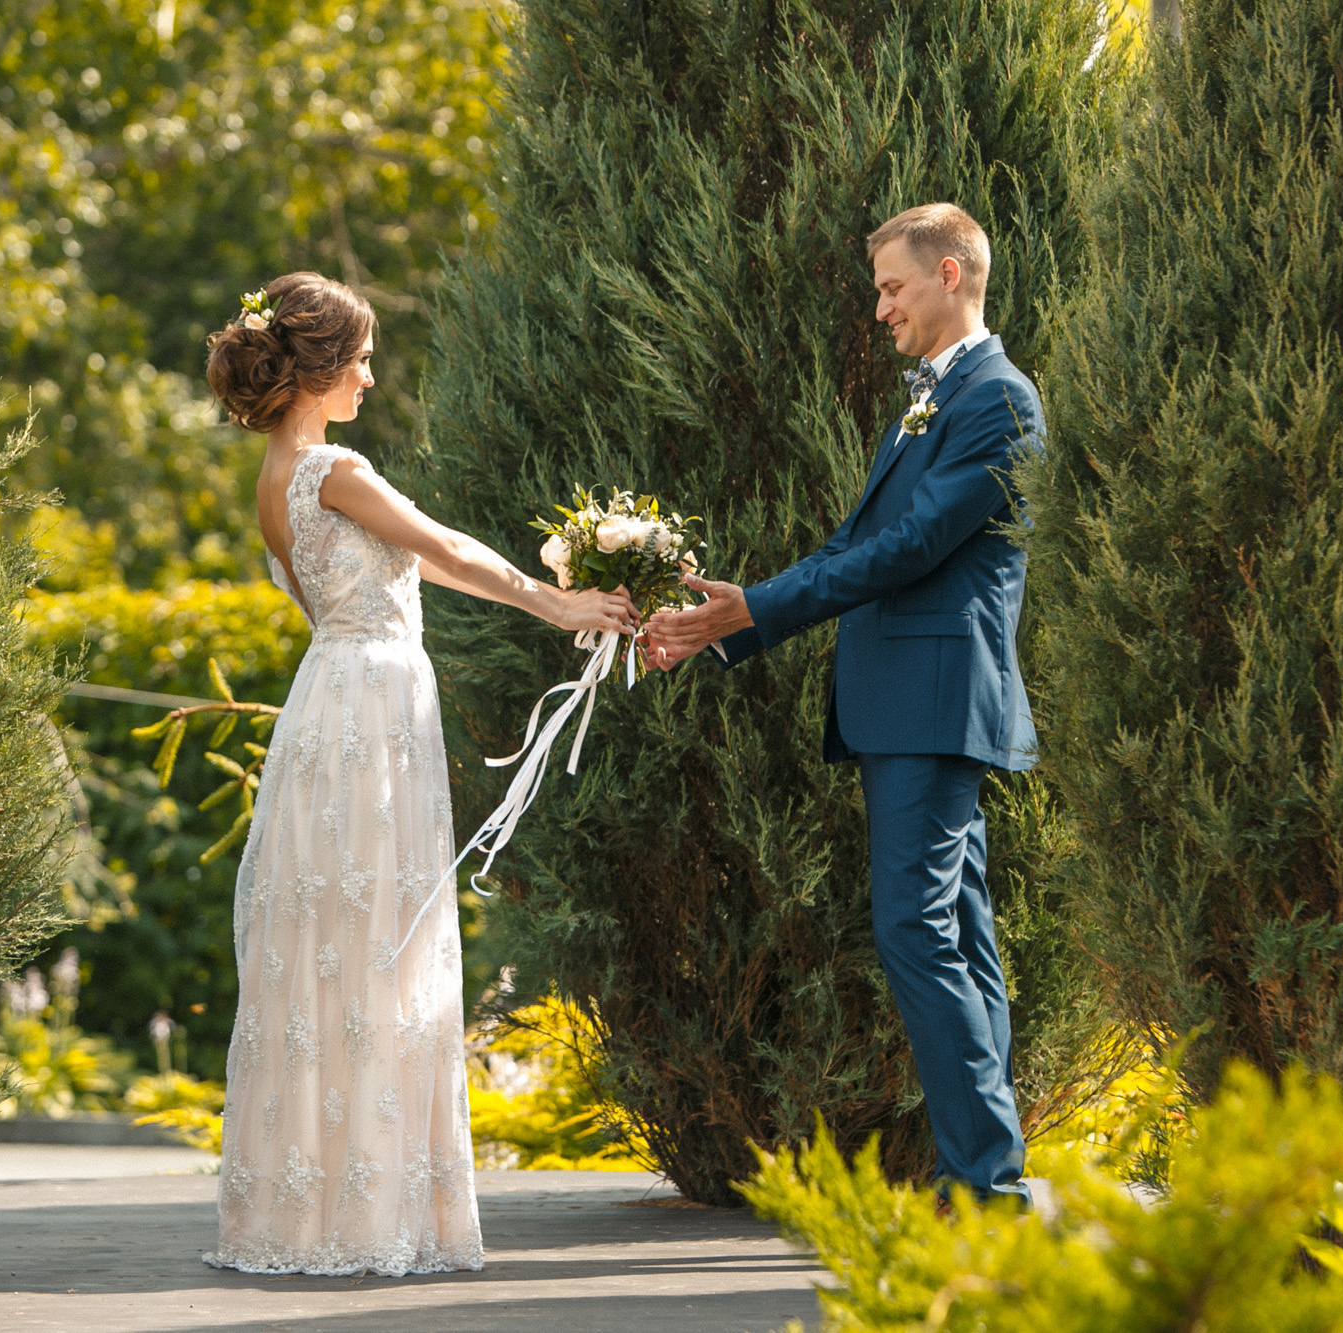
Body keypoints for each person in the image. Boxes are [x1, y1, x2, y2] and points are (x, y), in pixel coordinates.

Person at [201, 272, 638, 1274]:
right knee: (375, 949)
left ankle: (315, 1211)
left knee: (333, 952)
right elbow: (438, 543)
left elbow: (422, 564)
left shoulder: (276, 481)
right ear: (314, 369)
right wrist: (556, 605)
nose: (368, 372)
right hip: (367, 709)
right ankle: (366, 1215)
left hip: (333, 701)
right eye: (357, 356)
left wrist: (543, 593)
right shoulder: (333, 466)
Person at [644, 204, 1040, 1208]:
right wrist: (734, 615)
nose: (878, 309)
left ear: (948, 274)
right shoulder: (927, 400)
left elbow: (912, 548)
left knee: (916, 926)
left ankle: (980, 1182)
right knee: (954, 925)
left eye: (890, 288)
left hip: (936, 700)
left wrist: (762, 611)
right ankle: (988, 1173)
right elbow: (856, 540)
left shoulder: (995, 399)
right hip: (905, 701)